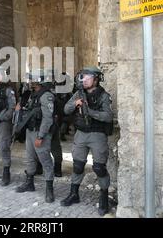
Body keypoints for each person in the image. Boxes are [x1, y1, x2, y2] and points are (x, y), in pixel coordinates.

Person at [60, 66, 113, 216]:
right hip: (81, 134)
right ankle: (74, 194)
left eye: (88, 77)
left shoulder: (103, 96)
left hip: (97, 135)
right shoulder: (79, 93)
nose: (84, 79)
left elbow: (108, 116)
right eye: (83, 76)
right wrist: (75, 104)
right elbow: (65, 109)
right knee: (77, 165)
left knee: (99, 168)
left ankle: (103, 198)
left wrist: (91, 112)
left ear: (96, 79)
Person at [15, 69, 55, 203]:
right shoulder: (33, 94)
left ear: (39, 80)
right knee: (30, 158)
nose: (30, 82)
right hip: (30, 131)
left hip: (40, 133)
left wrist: (41, 136)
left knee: (45, 161)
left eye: (33, 79)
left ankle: (49, 189)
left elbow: (48, 119)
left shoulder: (46, 96)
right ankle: (29, 183)